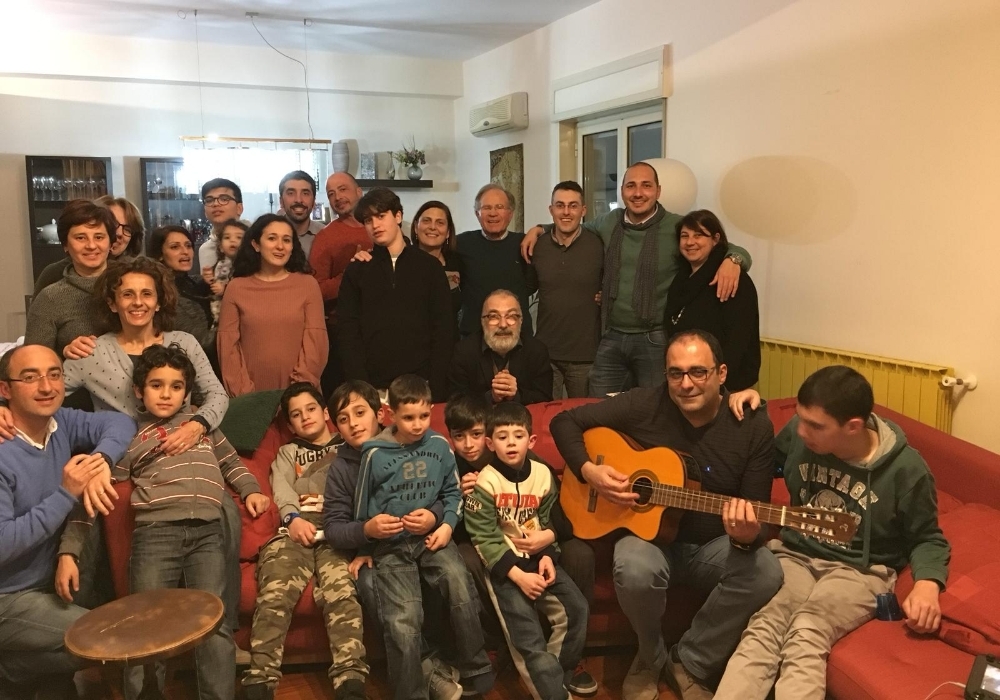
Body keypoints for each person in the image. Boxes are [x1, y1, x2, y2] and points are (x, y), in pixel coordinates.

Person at [549, 330, 783, 700]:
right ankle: (649, 656)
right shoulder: (643, 404)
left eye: (698, 372)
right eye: (676, 373)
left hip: (714, 545)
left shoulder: (752, 425)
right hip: (649, 541)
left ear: (721, 374)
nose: (686, 384)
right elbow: (564, 421)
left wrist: (747, 534)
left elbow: (759, 515)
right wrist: (589, 471)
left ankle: (689, 661)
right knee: (633, 567)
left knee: (767, 571)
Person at [715, 366, 950, 700]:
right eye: (800, 419)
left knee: (807, 630)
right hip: (796, 555)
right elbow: (758, 461)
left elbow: (927, 537)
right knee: (763, 627)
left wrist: (928, 583)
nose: (801, 431)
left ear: (853, 426)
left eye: (815, 426)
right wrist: (753, 414)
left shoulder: (907, 470)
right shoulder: (799, 434)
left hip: (859, 572)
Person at [60, 343, 268, 700]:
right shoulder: (130, 436)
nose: (167, 394)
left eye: (176, 386)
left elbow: (232, 463)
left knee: (214, 622)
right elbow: (95, 493)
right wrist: (70, 548)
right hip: (156, 536)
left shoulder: (203, 428)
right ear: (139, 391)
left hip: (207, 535)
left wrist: (251, 490)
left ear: (187, 393)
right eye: (157, 385)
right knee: (144, 624)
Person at [521, 162, 752, 397]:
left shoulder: (675, 226)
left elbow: (718, 244)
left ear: (658, 191)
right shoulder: (608, 222)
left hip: (655, 337)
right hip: (611, 334)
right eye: (631, 186)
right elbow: (571, 225)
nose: (638, 193)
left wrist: (734, 259)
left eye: (646, 186)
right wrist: (539, 229)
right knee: (598, 405)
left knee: (656, 405)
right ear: (622, 192)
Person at [0, 345, 134, 697]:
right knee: (103, 638)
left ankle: (15, 669)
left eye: (54, 374)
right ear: (5, 389)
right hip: (6, 596)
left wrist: (101, 461)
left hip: (45, 583)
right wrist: (66, 492)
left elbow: (120, 422)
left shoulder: (60, 423)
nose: (46, 386)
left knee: (92, 644)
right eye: (30, 377)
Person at [353, 374, 494, 699]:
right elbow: (361, 507)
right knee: (403, 620)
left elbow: (453, 493)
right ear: (390, 415)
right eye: (408, 417)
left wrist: (445, 524)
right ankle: (410, 692)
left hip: (432, 537)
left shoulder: (440, 446)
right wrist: (364, 543)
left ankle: (476, 666)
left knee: (459, 582)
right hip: (391, 546)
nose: (417, 425)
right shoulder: (374, 454)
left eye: (424, 416)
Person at [321, 381, 463, 699]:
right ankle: (426, 668)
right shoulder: (341, 467)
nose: (353, 423)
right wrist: (366, 532)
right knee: (371, 584)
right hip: (376, 550)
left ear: (380, 414)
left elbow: (444, 493)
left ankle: (447, 658)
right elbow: (333, 527)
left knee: (450, 573)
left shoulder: (410, 441)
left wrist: (435, 516)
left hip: (421, 539)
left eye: (360, 413)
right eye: (343, 419)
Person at [242, 382, 367, 700]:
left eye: (311, 409)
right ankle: (260, 680)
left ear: (325, 413)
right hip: (295, 528)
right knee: (275, 591)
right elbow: (281, 489)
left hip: (338, 532)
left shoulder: (349, 444)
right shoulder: (288, 452)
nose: (305, 417)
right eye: (296, 415)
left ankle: (350, 679)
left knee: (341, 592)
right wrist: (291, 519)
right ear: (290, 424)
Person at [465, 402, 591, 700]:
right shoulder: (486, 482)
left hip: (539, 559)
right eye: (502, 437)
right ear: (490, 443)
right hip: (506, 570)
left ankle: (559, 677)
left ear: (531, 440)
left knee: (577, 610)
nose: (511, 443)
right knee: (528, 638)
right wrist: (517, 576)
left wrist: (548, 554)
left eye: (518, 436)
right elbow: (483, 536)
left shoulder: (543, 474)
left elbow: (549, 520)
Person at [338, 187, 454, 402]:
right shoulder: (357, 270)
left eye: (381, 216)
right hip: (372, 388)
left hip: (421, 385)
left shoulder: (429, 267)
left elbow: (443, 329)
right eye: (368, 220)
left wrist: (436, 383)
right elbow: (348, 332)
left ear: (398, 216)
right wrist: (360, 385)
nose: (375, 225)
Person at [217, 213, 328, 396]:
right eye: (272, 238)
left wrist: (298, 393)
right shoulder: (236, 288)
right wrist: (246, 396)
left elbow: (316, 343)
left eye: (287, 240)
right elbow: (228, 348)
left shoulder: (307, 285)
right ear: (256, 244)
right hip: (250, 396)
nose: (280, 246)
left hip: (301, 396)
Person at [663, 210, 760, 391]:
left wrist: (718, 380)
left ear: (715, 239)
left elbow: (739, 339)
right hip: (688, 379)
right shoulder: (681, 278)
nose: (690, 242)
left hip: (725, 383)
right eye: (685, 236)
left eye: (698, 235)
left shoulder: (731, 278)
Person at [531, 181, 603, 399]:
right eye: (560, 205)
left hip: (585, 355)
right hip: (545, 353)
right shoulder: (537, 246)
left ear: (583, 210)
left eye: (573, 206)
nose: (566, 212)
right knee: (545, 413)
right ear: (551, 209)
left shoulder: (599, 245)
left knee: (581, 414)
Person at [25, 199, 117, 355]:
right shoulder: (50, 298)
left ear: (110, 243)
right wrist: (64, 353)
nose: (91, 245)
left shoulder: (131, 285)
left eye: (99, 237)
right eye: (80, 238)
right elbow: (33, 359)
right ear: (65, 245)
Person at [309, 173, 370, 395]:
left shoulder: (379, 228)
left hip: (382, 329)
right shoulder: (326, 238)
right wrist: (349, 275)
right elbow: (315, 290)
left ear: (359, 192)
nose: (337, 197)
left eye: (343, 189)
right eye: (331, 194)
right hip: (342, 333)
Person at [456, 184, 537, 338]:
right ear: (477, 214)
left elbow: (532, 285)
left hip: (517, 336)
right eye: (486, 208)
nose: (493, 213)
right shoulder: (460, 244)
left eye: (499, 207)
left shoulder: (525, 244)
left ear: (510, 213)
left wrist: (539, 229)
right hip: (473, 336)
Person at [450, 290, 552, 405]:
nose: (503, 325)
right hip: (481, 416)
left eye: (511, 316)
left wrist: (517, 396)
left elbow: (545, 399)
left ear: (521, 321)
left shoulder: (537, 351)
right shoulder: (464, 352)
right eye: (494, 316)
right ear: (483, 321)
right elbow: (455, 402)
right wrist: (490, 397)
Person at [33, 195, 145, 296]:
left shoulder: (140, 274)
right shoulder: (54, 273)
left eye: (127, 229)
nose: (119, 233)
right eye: (114, 224)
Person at [147, 225, 216, 354]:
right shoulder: (161, 293)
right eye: (175, 247)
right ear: (160, 254)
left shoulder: (198, 282)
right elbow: (201, 342)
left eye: (188, 246)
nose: (185, 252)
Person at [412, 200, 464, 332]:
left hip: (451, 340)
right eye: (426, 221)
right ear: (416, 227)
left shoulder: (457, 262)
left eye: (440, 223)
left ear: (448, 232)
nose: (433, 227)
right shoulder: (402, 262)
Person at [201, 218, 247, 325]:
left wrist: (225, 290)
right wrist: (208, 279)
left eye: (239, 237)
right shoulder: (219, 265)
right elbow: (210, 289)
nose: (232, 240)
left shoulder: (247, 267)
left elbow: (246, 289)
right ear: (221, 247)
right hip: (217, 315)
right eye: (227, 237)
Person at [197, 178, 245, 274]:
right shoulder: (205, 250)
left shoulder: (255, 241)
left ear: (239, 208)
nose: (215, 204)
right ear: (205, 211)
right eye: (209, 200)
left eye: (224, 199)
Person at [278, 170, 325, 259]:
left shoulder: (326, 236)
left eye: (305, 194)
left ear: (314, 202)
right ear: (281, 202)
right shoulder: (267, 235)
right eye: (291, 193)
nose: (298, 200)